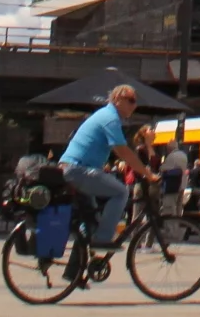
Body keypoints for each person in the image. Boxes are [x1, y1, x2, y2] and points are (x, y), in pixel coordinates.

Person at [59, 84, 155, 248]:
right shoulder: (110, 118)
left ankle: (75, 270)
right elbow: (123, 151)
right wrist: (148, 174)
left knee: (90, 221)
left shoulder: (104, 115)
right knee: (121, 192)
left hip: (73, 169)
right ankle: (103, 239)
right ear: (117, 99)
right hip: (78, 170)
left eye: (135, 101)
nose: (134, 105)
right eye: (131, 100)